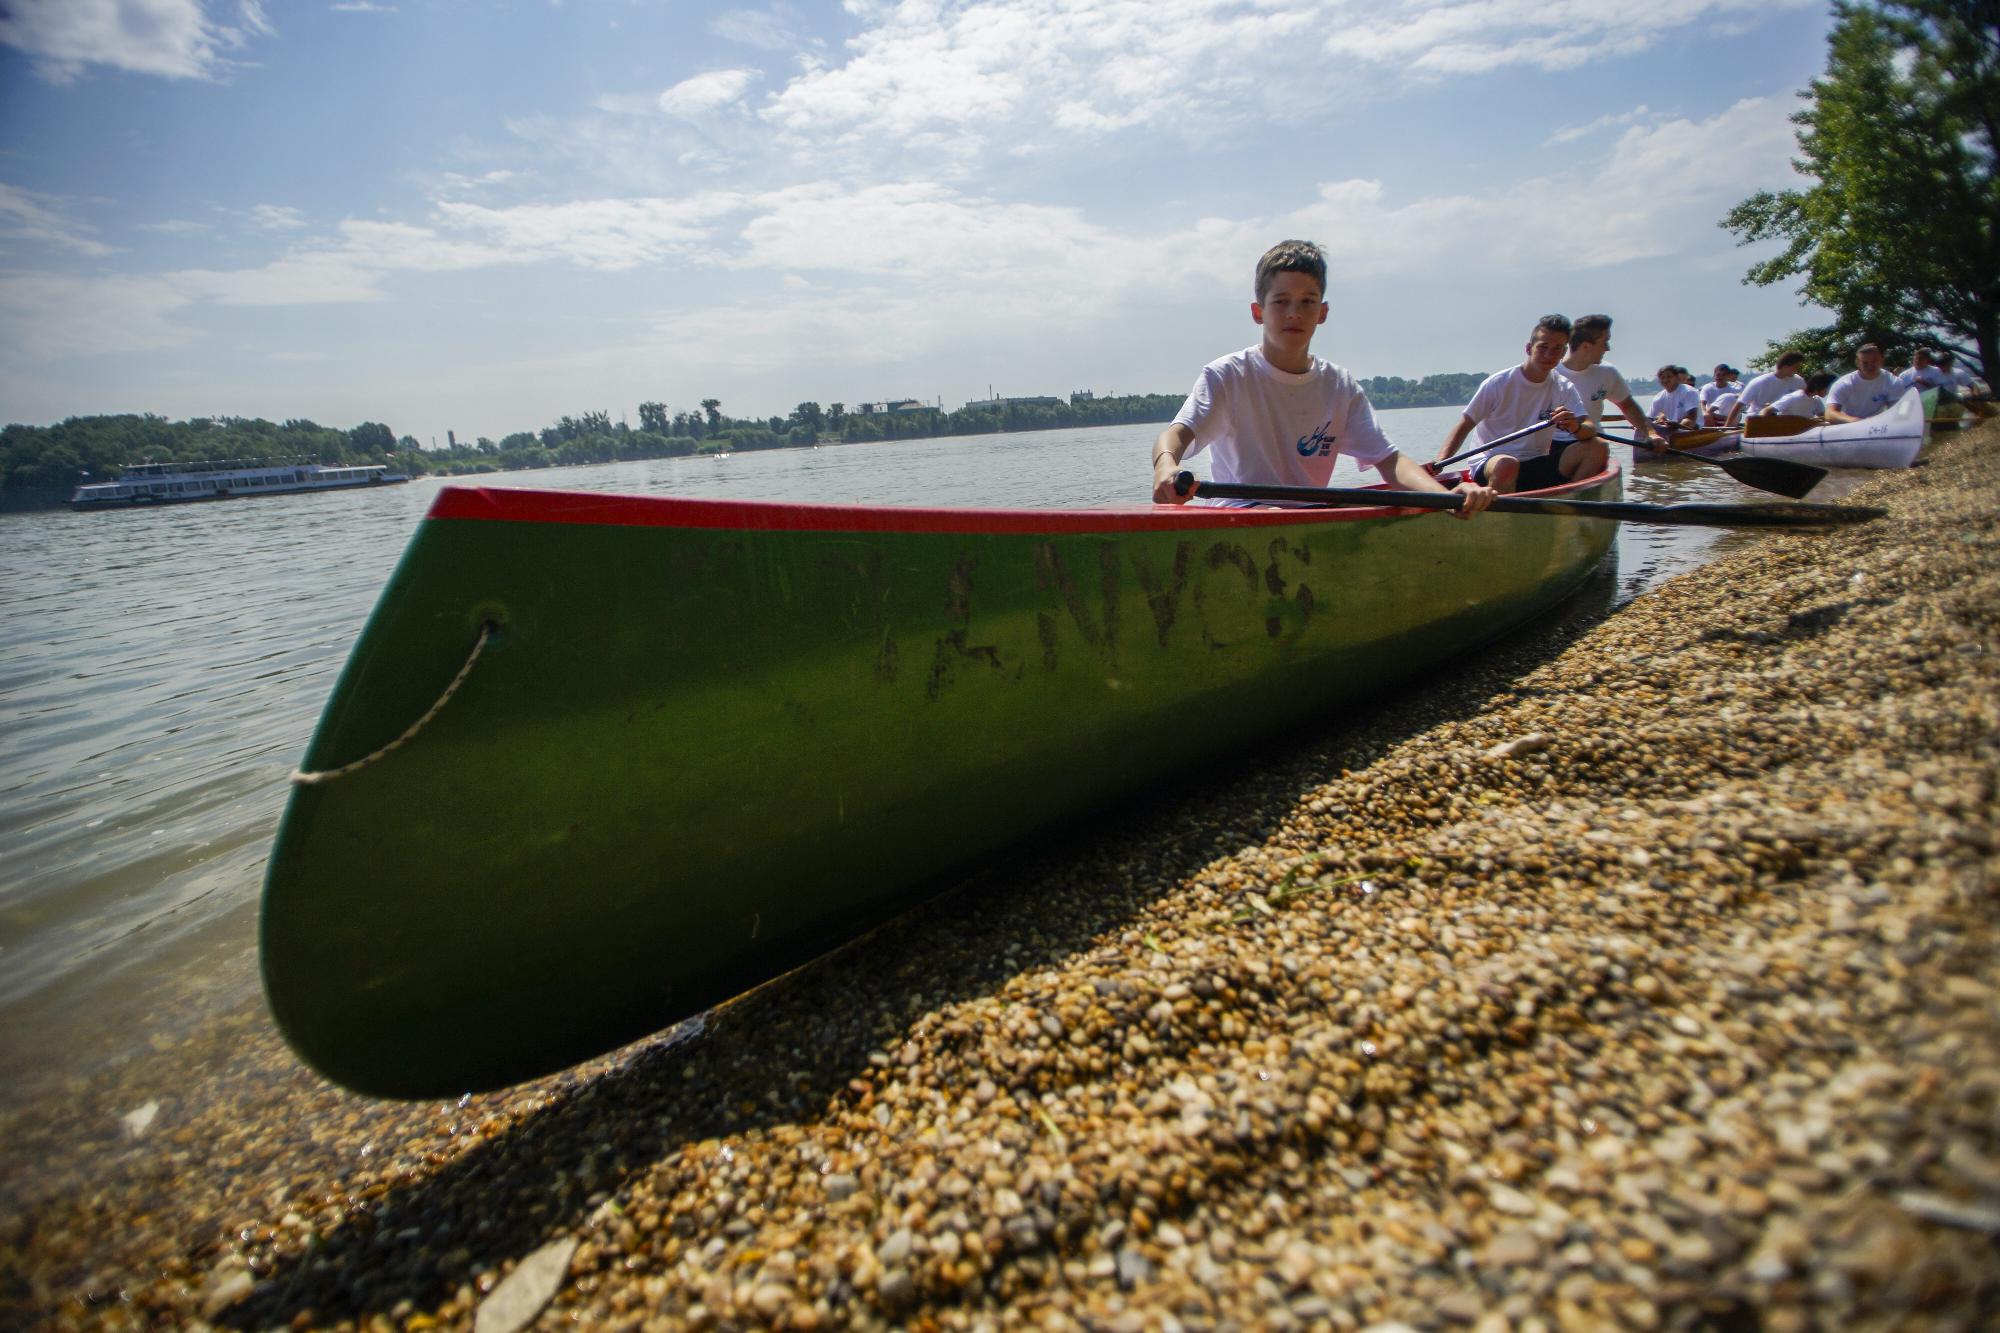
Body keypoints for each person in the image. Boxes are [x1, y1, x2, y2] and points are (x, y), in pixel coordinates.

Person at [1151, 240, 1495, 516]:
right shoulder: (1226, 375)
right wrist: (1166, 466)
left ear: (1323, 312)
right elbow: (1175, 436)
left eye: (1307, 301)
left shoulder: (1339, 386)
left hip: (1309, 514)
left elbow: (1390, 461)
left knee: (1407, 507)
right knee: (1274, 513)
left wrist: (1447, 497)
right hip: (1242, 513)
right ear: (1258, 312)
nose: (1294, 313)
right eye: (1281, 301)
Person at [1434, 314, 1602, 494]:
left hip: (1536, 462)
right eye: (1543, 347)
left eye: (1556, 349)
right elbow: (1464, 425)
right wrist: (1438, 464)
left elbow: (1589, 427)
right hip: (1492, 463)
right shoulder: (1498, 383)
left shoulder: (1564, 387)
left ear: (1563, 353)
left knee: (1597, 447)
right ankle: (1501, 520)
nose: (1548, 355)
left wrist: (1576, 427)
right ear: (1529, 348)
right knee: (1507, 465)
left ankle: (1569, 509)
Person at [1555, 315, 1655, 444]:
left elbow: (1628, 406)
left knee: (1609, 459)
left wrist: (1652, 434)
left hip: (1593, 442)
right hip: (1555, 444)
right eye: (1604, 342)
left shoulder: (1607, 372)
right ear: (1586, 347)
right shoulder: (1551, 373)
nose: (1608, 348)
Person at [1724, 352, 1808, 427]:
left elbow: (1808, 398)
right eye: (1796, 367)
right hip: (1758, 419)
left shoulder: (1798, 380)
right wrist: (1727, 427)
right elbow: (1739, 405)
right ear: (1785, 367)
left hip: (1785, 420)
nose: (1797, 370)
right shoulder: (1759, 382)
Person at [1826, 343, 1902, 422]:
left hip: (1878, 425)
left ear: (1882, 359)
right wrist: (1855, 421)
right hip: (1849, 425)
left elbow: (1896, 411)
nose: (1870, 366)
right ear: (1858, 363)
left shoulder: (1893, 381)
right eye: (1865, 363)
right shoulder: (1844, 383)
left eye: (1874, 361)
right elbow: (1829, 414)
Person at [1649, 364, 1702, 430]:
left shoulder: (1689, 391)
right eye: (1662, 378)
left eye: (1668, 377)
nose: (1665, 380)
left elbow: (1691, 418)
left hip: (1692, 427)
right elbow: (1650, 417)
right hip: (1671, 427)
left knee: (1686, 422)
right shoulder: (1659, 397)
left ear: (1677, 378)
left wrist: (1676, 425)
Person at [1765, 372, 1836, 419]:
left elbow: (1825, 417)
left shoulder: (1816, 399)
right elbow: (1767, 410)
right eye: (1829, 388)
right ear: (1819, 385)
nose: (1830, 392)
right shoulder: (1795, 397)